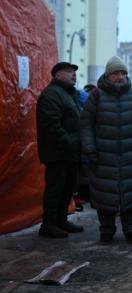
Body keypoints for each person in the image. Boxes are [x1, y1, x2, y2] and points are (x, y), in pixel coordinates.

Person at [81, 56, 132, 244]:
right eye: (116, 73)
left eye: (122, 73)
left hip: (131, 155)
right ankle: (106, 230)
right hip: (103, 155)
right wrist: (89, 148)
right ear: (107, 74)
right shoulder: (95, 96)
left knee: (131, 196)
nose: (120, 77)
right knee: (105, 197)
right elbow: (86, 124)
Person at [35, 62, 84, 238]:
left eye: (74, 72)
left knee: (67, 188)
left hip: (68, 152)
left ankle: (61, 220)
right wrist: (68, 142)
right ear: (57, 75)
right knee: (55, 188)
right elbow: (50, 124)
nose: (74, 75)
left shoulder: (65, 94)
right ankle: (48, 225)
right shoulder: (51, 95)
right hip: (58, 153)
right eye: (69, 72)